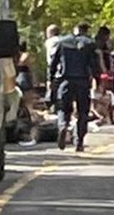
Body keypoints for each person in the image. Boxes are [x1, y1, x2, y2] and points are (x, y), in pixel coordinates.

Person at [50, 22, 101, 151]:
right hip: (82, 81)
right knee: (83, 112)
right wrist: (97, 80)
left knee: (63, 107)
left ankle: (63, 125)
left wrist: (51, 79)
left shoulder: (62, 42)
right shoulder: (89, 44)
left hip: (65, 79)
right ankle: (79, 142)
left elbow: (54, 62)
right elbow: (94, 65)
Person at [44, 24, 62, 108]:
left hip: (51, 65)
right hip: (62, 67)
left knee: (51, 85)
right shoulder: (62, 40)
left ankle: (51, 103)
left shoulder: (49, 41)